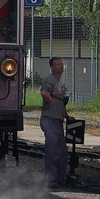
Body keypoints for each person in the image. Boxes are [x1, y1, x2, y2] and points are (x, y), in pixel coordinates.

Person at [40, 57, 74, 188]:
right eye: (58, 64)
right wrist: (52, 103)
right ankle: (51, 181)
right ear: (52, 68)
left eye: (61, 64)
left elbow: (60, 101)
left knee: (62, 151)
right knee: (53, 151)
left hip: (57, 120)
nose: (61, 66)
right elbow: (44, 92)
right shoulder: (51, 80)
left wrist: (66, 116)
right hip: (51, 120)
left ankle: (58, 179)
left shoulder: (57, 81)